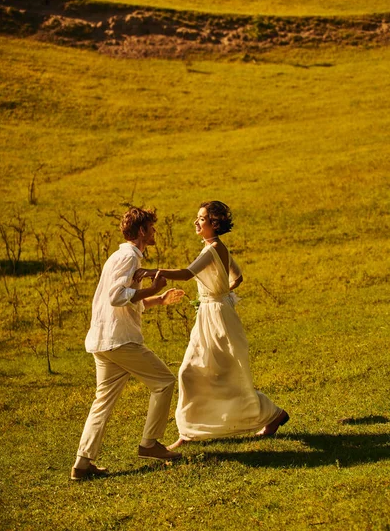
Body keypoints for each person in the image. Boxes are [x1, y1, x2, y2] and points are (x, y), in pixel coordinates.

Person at [135, 201, 289, 449]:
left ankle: (271, 415)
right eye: (197, 218)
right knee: (192, 371)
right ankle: (189, 431)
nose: (196, 222)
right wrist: (218, 294)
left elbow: (187, 274)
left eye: (202, 219)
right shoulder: (213, 248)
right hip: (211, 314)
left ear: (214, 223)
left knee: (218, 373)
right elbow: (237, 277)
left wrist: (150, 271)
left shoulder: (213, 248)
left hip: (217, 318)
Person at [71, 207, 185, 481]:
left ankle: (82, 464)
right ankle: (150, 444)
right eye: (152, 227)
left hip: (104, 340)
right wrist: (153, 289)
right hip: (119, 340)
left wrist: (157, 299)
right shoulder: (127, 256)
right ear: (142, 231)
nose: (155, 231)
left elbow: (125, 301)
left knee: (103, 402)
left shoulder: (118, 257)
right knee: (165, 382)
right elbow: (116, 296)